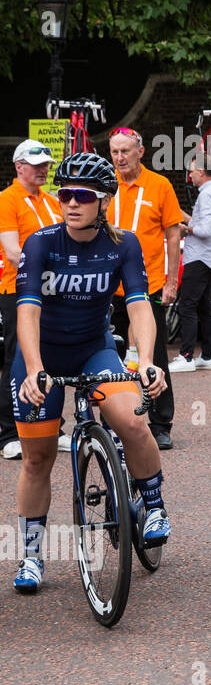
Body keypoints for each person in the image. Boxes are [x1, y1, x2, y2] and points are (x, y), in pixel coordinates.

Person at [10, 153, 170, 593]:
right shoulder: (41, 243)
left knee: (133, 421)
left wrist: (147, 359)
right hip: (40, 355)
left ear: (103, 201)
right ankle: (31, 555)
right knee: (37, 459)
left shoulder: (124, 244)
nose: (72, 203)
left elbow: (139, 306)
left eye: (83, 196)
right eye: (64, 194)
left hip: (94, 350)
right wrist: (35, 369)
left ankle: (153, 504)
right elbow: (26, 312)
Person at [105, 126, 183, 449]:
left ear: (141, 151)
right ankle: (116, 419)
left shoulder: (159, 185)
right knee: (113, 355)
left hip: (147, 284)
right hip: (110, 286)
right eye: (114, 152)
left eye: (125, 151)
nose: (120, 158)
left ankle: (161, 421)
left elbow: (173, 235)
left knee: (155, 356)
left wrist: (172, 280)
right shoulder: (106, 185)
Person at [0, 141, 63, 460]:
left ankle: (55, 426)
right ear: (18, 166)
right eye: (36, 164)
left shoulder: (53, 201)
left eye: (46, 164)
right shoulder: (7, 199)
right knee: (16, 356)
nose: (44, 168)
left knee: (54, 355)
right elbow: (12, 250)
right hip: (20, 290)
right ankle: (9, 432)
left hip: (55, 291)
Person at [169, 157, 211, 372]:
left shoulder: (207, 195)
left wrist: (184, 229)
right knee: (204, 309)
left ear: (202, 171)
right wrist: (183, 216)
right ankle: (208, 355)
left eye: (192, 171)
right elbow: (201, 223)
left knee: (187, 305)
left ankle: (186, 357)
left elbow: (204, 230)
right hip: (209, 258)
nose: (190, 175)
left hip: (199, 258)